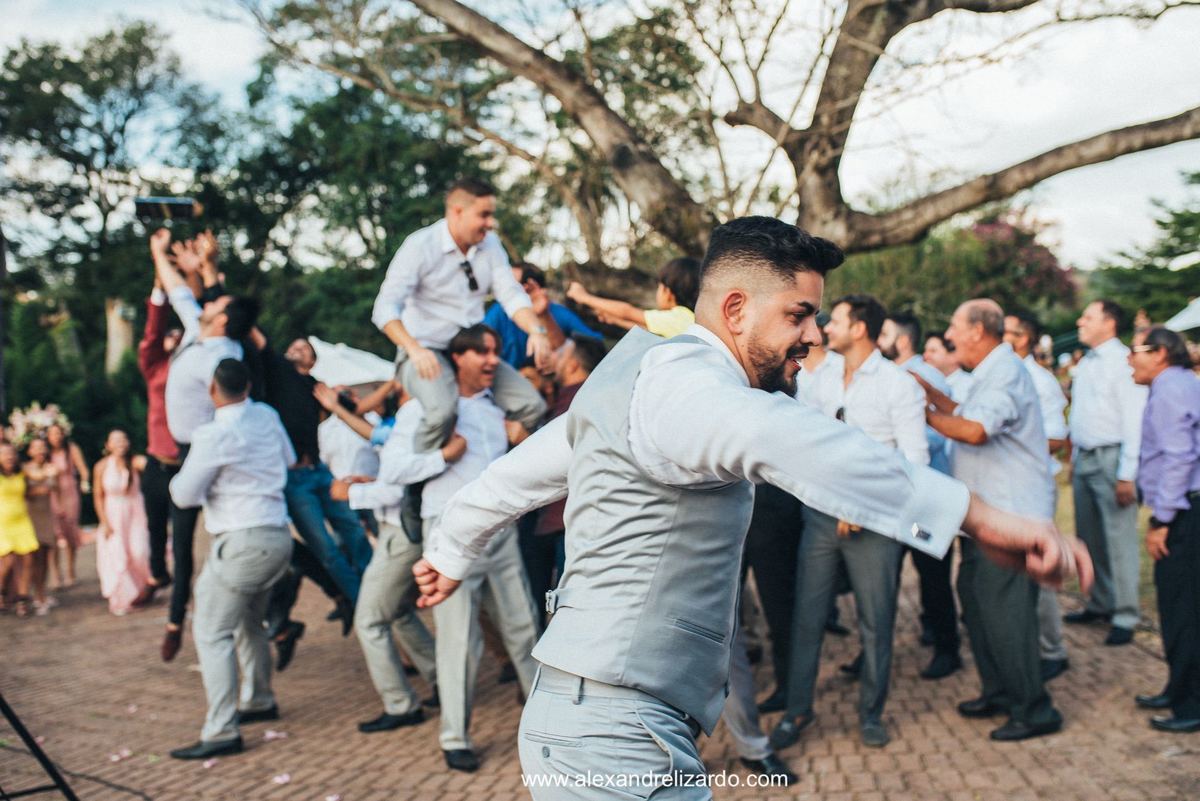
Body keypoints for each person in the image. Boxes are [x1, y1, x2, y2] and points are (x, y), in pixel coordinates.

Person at [413, 217, 1090, 799]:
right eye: (798, 314)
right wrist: (983, 518)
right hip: (610, 732)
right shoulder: (693, 390)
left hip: (598, 717)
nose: (813, 335)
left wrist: (449, 551)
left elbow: (511, 479)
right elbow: (801, 442)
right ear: (735, 310)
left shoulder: (643, 377)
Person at [774, 294, 929, 750]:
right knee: (808, 615)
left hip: (876, 522)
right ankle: (797, 710)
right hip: (821, 516)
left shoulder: (898, 385)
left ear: (859, 328)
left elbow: (915, 463)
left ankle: (871, 714)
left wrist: (864, 506)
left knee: (876, 620)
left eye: (836, 320)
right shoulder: (820, 380)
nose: (826, 327)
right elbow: (808, 440)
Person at [916, 299, 1063, 741]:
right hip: (984, 518)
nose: (949, 335)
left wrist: (920, 414)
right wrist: (930, 396)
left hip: (1011, 516)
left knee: (1006, 613)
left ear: (978, 330)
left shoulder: (1005, 373)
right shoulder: (988, 372)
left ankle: (1034, 709)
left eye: (954, 326)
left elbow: (976, 429)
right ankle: (999, 692)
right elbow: (964, 414)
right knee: (978, 603)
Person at [416, 325, 540, 773]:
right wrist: (443, 453)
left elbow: (532, 407)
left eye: (496, 353)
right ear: (457, 358)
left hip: (499, 533)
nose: (493, 361)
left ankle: (549, 725)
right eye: (482, 353)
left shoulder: (496, 411)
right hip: (447, 533)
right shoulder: (431, 412)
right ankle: (455, 737)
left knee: (525, 627)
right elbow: (399, 466)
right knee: (459, 640)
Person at [168, 359, 295, 760]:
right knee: (247, 623)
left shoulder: (213, 433)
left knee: (211, 632)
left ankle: (222, 730)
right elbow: (290, 458)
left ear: (212, 390)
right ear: (248, 386)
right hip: (278, 536)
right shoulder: (267, 415)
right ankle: (258, 699)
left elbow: (183, 495)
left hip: (242, 542)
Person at [371, 177, 550, 460]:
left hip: (471, 349)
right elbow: (384, 308)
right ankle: (416, 479)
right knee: (442, 412)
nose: (491, 223)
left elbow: (511, 295)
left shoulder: (491, 245)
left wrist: (536, 331)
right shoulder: (420, 246)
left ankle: (502, 469)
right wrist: (414, 349)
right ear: (457, 212)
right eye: (484, 215)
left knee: (532, 406)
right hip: (425, 350)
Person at [152, 228, 261, 661]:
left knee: (225, 529)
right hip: (184, 451)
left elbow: (236, 407)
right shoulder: (197, 332)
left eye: (214, 303)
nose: (206, 302)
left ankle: (276, 593)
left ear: (221, 320)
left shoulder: (223, 357)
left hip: (207, 452)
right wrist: (158, 252)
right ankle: (175, 620)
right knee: (183, 541)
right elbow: (178, 289)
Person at [332, 383, 459, 735]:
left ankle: (400, 704)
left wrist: (352, 491)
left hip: (400, 532)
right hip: (406, 528)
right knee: (398, 610)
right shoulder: (417, 415)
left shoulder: (412, 416)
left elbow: (397, 488)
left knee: (369, 620)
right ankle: (441, 680)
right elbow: (405, 480)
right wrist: (373, 479)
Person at [880, 312, 962, 678]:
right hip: (894, 496)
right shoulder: (885, 375)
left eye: (884, 333)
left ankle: (947, 648)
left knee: (933, 574)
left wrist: (900, 433)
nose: (878, 338)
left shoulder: (925, 377)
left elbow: (940, 435)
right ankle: (878, 648)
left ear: (902, 341)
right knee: (885, 574)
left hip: (927, 496)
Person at [1128, 326, 1200, 733]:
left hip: (1184, 512)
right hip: (1185, 509)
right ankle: (1179, 688)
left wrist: (1162, 520)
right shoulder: (1175, 384)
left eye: (1135, 350)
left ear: (1159, 353)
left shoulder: (1171, 388)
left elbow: (1179, 457)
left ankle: (1191, 703)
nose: (1129, 359)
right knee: (1178, 604)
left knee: (1182, 607)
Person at [1067, 300, 1148, 645]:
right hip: (1085, 457)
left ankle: (1126, 615)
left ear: (1109, 323)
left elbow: (1134, 420)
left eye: (1088, 317)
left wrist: (1127, 473)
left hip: (1112, 457)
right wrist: (1075, 458)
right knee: (1090, 536)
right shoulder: (1086, 362)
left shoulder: (1122, 361)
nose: (1080, 321)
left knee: (1119, 539)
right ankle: (1100, 602)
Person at [520, 334, 608, 629]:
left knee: (568, 611)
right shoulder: (583, 396)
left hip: (568, 521)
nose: (551, 359)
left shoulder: (579, 399)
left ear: (572, 364)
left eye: (559, 354)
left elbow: (561, 457)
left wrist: (523, 441)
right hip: (559, 520)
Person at [1004, 312, 1072, 681]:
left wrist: (1005, 445)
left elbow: (1057, 438)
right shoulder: (999, 374)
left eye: (1009, 332)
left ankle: (1052, 649)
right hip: (1005, 489)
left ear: (1025, 338)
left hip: (1032, 487)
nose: (1001, 337)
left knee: (1039, 567)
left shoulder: (1040, 380)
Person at [134, 264, 185, 606]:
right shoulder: (155, 367)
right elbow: (152, 334)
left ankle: (182, 587)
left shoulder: (195, 367)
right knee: (154, 524)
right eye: (171, 335)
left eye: (180, 336)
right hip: (157, 460)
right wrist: (160, 292)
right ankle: (157, 574)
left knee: (183, 532)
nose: (174, 339)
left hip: (186, 461)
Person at [484, 262, 601, 368]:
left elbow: (595, 346)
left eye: (513, 286)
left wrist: (543, 316)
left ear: (531, 287)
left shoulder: (559, 313)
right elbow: (480, 342)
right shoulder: (499, 311)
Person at [92, 429, 152, 616]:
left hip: (135, 513)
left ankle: (143, 588)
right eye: (115, 440)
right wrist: (104, 522)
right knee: (118, 555)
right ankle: (122, 598)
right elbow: (98, 496)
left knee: (139, 551)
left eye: (123, 439)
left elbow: (154, 468)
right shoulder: (101, 466)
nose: (120, 443)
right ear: (108, 445)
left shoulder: (135, 462)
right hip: (113, 514)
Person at [566, 256, 701, 339]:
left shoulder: (677, 316)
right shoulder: (687, 319)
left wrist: (583, 297)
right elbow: (648, 330)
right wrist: (616, 320)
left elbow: (627, 311)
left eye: (659, 286)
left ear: (668, 293)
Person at [45, 422, 87, 589]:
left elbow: (83, 469)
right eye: (52, 433)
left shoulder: (71, 449)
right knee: (53, 536)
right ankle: (56, 575)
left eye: (58, 433)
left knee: (70, 533)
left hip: (69, 493)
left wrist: (84, 482)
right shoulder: (45, 453)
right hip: (51, 495)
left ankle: (71, 571)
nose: (56, 437)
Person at [0, 442, 39, 617]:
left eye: (12, 453)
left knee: (28, 559)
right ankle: (2, 592)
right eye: (4, 453)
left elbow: (32, 487)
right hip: (2, 523)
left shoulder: (22, 473)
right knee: (8, 561)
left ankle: (22, 599)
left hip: (22, 521)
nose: (9, 456)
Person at [24, 437, 59, 615]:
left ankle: (43, 592)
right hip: (30, 516)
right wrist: (44, 482)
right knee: (35, 559)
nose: (40, 451)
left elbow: (56, 488)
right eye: (36, 448)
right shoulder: (24, 469)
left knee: (45, 556)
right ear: (29, 451)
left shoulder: (51, 468)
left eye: (43, 447)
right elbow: (25, 492)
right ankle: (36, 596)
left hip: (47, 515)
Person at [924, 333, 974, 401]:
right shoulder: (925, 384)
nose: (925, 356)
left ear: (953, 355)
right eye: (925, 351)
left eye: (933, 351)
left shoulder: (970, 385)